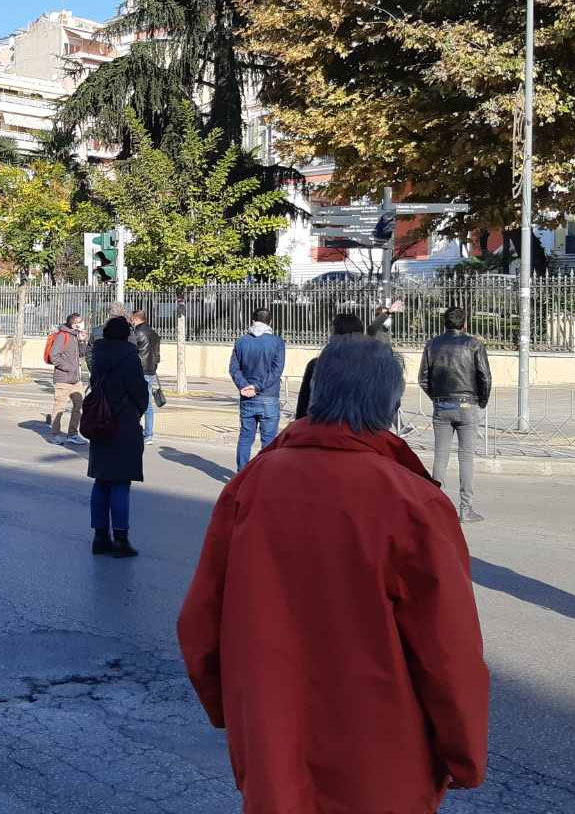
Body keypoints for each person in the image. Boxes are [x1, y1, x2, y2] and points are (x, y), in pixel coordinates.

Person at [178, 337, 490, 811]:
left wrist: (234, 711)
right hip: (384, 758)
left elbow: (200, 622)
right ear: (391, 407)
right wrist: (464, 754)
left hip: (273, 744)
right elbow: (448, 651)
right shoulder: (413, 503)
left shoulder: (251, 486)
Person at [418, 306, 491, 524]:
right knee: (466, 457)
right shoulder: (474, 344)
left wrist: (438, 398)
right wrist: (481, 401)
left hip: (442, 406)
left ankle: (433, 508)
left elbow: (423, 378)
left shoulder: (432, 344)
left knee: (440, 456)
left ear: (444, 323)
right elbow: (485, 377)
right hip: (468, 405)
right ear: (465, 324)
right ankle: (465, 509)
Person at [87, 317, 150, 557]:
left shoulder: (97, 355)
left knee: (101, 481)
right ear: (126, 335)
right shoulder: (130, 358)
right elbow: (139, 392)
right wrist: (137, 411)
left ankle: (100, 537)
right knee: (121, 483)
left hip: (100, 422)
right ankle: (121, 540)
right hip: (124, 424)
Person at [229, 308, 286, 470]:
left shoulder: (241, 341)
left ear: (252, 321)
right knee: (268, 442)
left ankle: (241, 474)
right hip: (269, 396)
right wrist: (257, 387)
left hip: (247, 397)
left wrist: (245, 386)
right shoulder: (277, 342)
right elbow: (276, 371)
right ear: (270, 322)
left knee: (245, 438)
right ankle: (264, 476)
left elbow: (234, 369)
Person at [294, 312, 364, 421]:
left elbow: (302, 409)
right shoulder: (372, 368)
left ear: (333, 334)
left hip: (320, 427)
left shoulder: (316, 366)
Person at [47, 314, 89, 446]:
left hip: (75, 380)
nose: (83, 324)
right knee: (59, 407)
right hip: (63, 379)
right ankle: (55, 434)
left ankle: (73, 434)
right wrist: (68, 368)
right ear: (74, 324)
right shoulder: (62, 336)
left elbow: (81, 354)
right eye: (80, 322)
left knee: (79, 406)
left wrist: (82, 341)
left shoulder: (75, 335)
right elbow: (53, 356)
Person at [129, 309, 162, 444]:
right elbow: (157, 355)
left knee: (133, 402)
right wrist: (153, 367)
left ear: (136, 319)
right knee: (148, 404)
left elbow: (131, 352)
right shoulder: (154, 333)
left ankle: (134, 431)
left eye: (132, 319)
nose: (131, 321)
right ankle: (149, 434)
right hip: (150, 371)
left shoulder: (136, 333)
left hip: (138, 372)